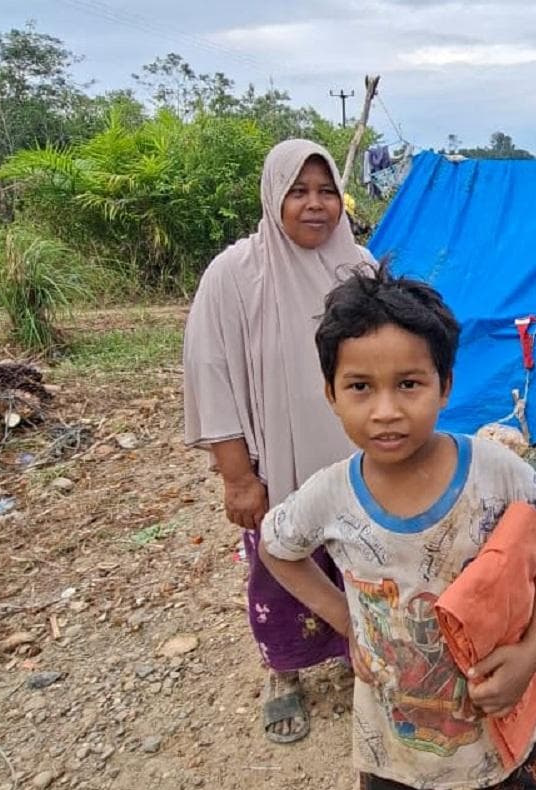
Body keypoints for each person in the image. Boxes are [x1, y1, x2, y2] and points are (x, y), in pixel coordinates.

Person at [258, 264, 536, 790]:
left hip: (498, 713)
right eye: (361, 386)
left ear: (446, 384)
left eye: (409, 383)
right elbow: (277, 548)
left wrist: (532, 651)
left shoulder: (497, 472)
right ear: (331, 393)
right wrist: (346, 621)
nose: (386, 410)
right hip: (393, 735)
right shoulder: (329, 495)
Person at [183, 139, 372, 744]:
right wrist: (237, 477)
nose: (315, 205)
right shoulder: (236, 274)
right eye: (299, 191)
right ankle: (284, 671)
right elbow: (211, 375)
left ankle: (358, 654)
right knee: (280, 567)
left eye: (326, 192)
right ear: (273, 197)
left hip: (359, 465)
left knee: (362, 564)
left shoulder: (360, 271)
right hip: (276, 469)